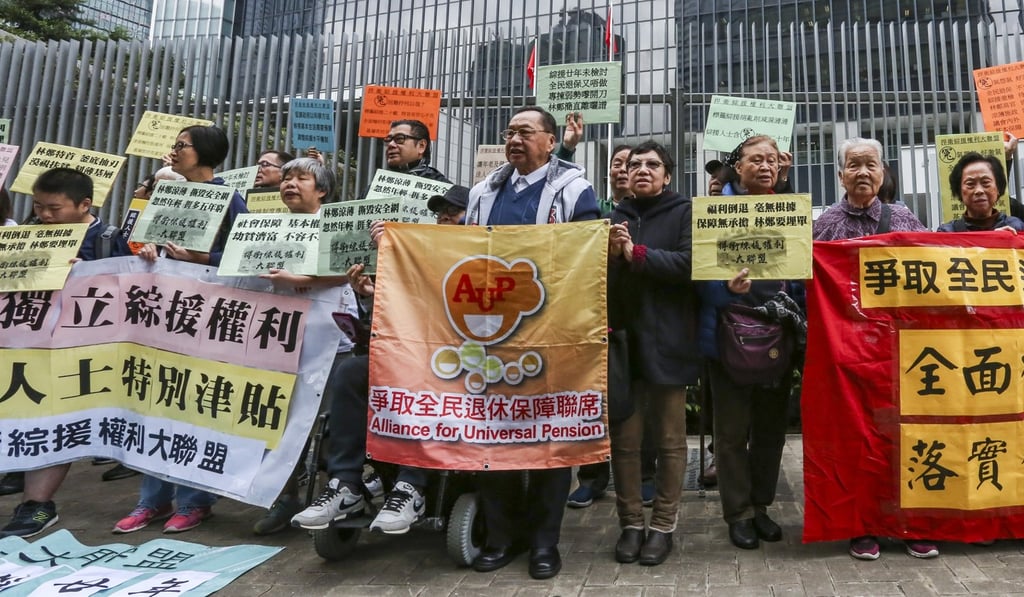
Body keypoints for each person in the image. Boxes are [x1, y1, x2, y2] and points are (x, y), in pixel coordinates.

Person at [289, 186, 472, 537]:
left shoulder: (482, 259)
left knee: (416, 377)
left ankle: (411, 486)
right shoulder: (416, 259)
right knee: (352, 372)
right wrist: (372, 295)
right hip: (408, 356)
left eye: (455, 211)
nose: (446, 217)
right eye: (441, 212)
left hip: (462, 366)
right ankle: (346, 485)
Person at [465, 106, 599, 580]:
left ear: (549, 141)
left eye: (525, 132)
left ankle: (545, 541)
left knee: (549, 441)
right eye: (510, 132)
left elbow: (589, 254)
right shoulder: (483, 193)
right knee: (495, 437)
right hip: (491, 336)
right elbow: (463, 254)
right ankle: (503, 536)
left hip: (553, 334)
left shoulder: (574, 189)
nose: (515, 139)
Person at [116, 124, 247, 534]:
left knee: (195, 406)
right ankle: (151, 501)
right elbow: (132, 242)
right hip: (163, 312)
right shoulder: (165, 193)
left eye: (182, 145)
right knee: (159, 401)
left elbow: (244, 254)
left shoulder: (228, 198)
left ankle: (194, 500)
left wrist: (199, 256)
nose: (174, 151)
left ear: (204, 152)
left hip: (206, 314)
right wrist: (147, 247)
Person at [813, 137, 934, 560]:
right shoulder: (825, 225)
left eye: (870, 164)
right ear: (840, 174)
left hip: (899, 352)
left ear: (883, 171)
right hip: (848, 355)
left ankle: (910, 523)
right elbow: (808, 283)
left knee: (904, 438)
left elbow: (932, 270)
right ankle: (861, 525)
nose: (862, 173)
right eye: (854, 165)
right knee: (856, 440)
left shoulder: (903, 218)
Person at [0, 167, 132, 538]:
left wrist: (88, 272)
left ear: (84, 204)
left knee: (57, 424)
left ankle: (37, 505)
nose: (43, 215)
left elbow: (131, 288)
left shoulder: (107, 239)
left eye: (54, 209)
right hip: (22, 348)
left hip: (78, 351)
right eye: (39, 206)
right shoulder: (27, 235)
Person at [697, 135, 804, 551]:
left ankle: (761, 506)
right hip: (728, 342)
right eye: (755, 159)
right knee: (730, 433)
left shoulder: (787, 210)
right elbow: (700, 282)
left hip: (777, 340)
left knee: (770, 432)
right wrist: (727, 289)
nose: (765, 166)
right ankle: (737, 513)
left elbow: (800, 279)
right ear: (736, 166)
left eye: (772, 161)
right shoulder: (714, 213)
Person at [606, 140, 698, 567]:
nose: (641, 169)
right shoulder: (614, 215)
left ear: (667, 175)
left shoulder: (683, 212)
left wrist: (636, 254)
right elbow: (593, 279)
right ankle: (630, 524)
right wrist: (610, 256)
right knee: (625, 442)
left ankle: (662, 526)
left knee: (670, 442)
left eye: (652, 164)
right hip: (625, 344)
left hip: (670, 341)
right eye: (634, 164)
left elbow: (689, 266)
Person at [937, 151, 1024, 233]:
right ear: (959, 191)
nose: (979, 191)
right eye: (970, 184)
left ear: (998, 188)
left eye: (985, 182)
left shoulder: (1015, 227)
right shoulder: (947, 232)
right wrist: (993, 240)